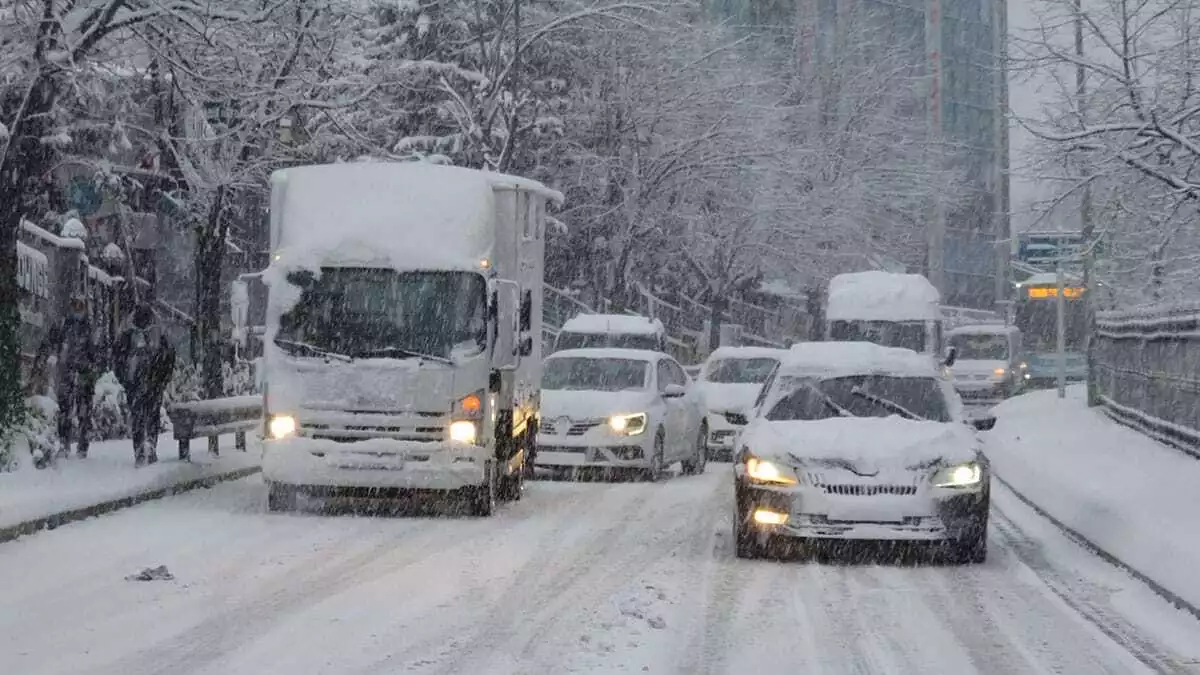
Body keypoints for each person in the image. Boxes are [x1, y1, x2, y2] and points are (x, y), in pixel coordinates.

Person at [34, 294, 98, 463]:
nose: (77, 310)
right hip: (67, 371)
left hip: (85, 374)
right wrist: (44, 357)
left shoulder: (90, 329)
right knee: (65, 410)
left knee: (84, 411)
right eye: (75, 306)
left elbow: (97, 352)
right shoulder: (63, 326)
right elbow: (49, 341)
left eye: (80, 306)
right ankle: (64, 443)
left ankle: (83, 446)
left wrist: (91, 367)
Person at [114, 304, 175, 467]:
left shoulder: (157, 331)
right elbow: (119, 356)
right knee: (141, 416)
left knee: (147, 415)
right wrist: (125, 379)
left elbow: (168, 355)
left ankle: (147, 447)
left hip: (150, 381)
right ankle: (143, 448)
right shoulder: (130, 332)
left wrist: (162, 377)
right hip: (138, 382)